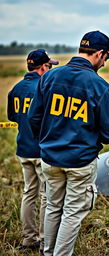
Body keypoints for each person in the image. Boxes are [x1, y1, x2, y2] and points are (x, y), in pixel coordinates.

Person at [28, 30, 109, 256]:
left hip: (49, 158)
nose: (105, 63)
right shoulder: (100, 87)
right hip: (80, 162)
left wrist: (47, 140)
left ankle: (48, 252)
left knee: (52, 207)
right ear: (99, 54)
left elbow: (33, 117)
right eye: (106, 58)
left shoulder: (49, 77)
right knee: (72, 212)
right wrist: (90, 140)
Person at [7, 49, 59, 254]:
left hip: (23, 149)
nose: (51, 69)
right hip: (41, 150)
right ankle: (46, 240)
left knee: (29, 193)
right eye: (50, 66)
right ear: (43, 67)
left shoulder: (16, 88)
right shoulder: (43, 88)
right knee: (47, 196)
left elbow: (12, 117)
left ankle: (28, 239)